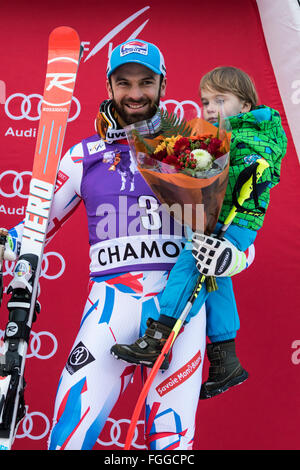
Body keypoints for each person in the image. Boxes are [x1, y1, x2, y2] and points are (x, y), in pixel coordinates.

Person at [2, 39, 208, 450]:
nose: (135, 93)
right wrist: (8, 242)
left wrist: (235, 254)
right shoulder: (82, 157)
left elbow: (238, 229)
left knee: (171, 440)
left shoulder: (192, 152)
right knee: (69, 433)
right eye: (124, 82)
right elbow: (35, 231)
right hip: (110, 306)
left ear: (163, 85)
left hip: (180, 311)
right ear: (109, 86)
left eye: (146, 82)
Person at [111, 66, 287, 399]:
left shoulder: (255, 132)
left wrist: (214, 166)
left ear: (244, 105)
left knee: (192, 263)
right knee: (216, 280)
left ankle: (161, 334)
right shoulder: (227, 131)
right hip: (219, 215)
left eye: (219, 100)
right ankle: (226, 358)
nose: (209, 109)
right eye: (205, 102)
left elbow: (253, 169)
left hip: (237, 220)